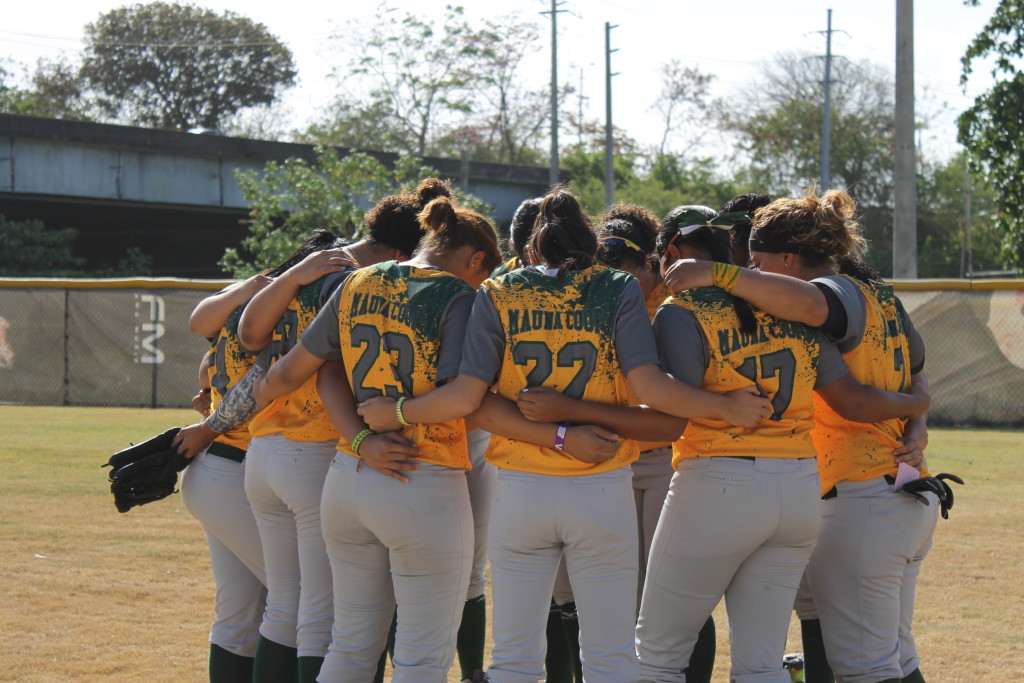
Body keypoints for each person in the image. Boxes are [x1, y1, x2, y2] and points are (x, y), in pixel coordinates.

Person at [357, 186, 774, 682]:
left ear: (532, 251)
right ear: (592, 247)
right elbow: (654, 394)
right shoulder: (617, 286)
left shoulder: (500, 289)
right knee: (611, 659)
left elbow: (470, 400)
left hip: (520, 487)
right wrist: (720, 406)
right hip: (600, 486)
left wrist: (553, 431)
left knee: (513, 659)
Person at [634, 200, 930, 683]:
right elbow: (881, 388)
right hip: (806, 488)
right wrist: (918, 412)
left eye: (759, 258)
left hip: (735, 481)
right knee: (764, 664)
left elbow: (671, 405)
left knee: (657, 655)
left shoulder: (711, 305)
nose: (753, 267)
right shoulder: (829, 305)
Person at [175, 179, 451, 683]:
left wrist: (293, 276)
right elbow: (327, 373)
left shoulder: (302, 269)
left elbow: (245, 335)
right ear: (399, 251)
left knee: (281, 610)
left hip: (261, 449)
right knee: (324, 618)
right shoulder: (360, 281)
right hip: (315, 452)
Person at [246, 193, 505, 681]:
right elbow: (463, 399)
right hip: (423, 475)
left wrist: (362, 439)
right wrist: (398, 412)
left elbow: (316, 375)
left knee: (348, 648)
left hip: (350, 475)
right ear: (474, 260)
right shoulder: (460, 297)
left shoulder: (357, 281)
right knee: (421, 660)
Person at [515, 202, 718, 683]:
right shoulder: (583, 291)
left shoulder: (671, 297)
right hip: (602, 456)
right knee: (585, 593)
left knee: (669, 592)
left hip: (659, 455)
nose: (614, 277)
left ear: (648, 262)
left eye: (625, 267)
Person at [179, 232, 345, 683]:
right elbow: (261, 382)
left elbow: (201, 331)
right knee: (300, 610)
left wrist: (255, 283)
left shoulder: (250, 301)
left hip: (219, 469)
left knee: (240, 619)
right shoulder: (293, 311)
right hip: (238, 468)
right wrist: (211, 420)